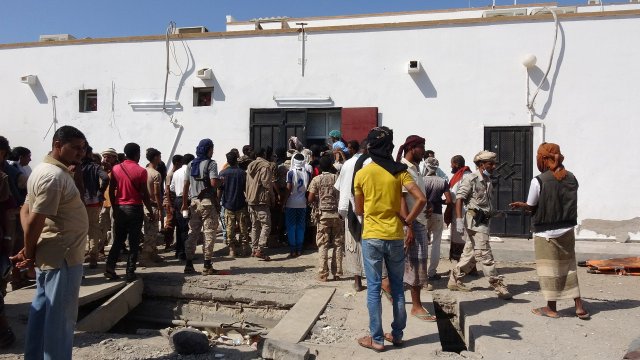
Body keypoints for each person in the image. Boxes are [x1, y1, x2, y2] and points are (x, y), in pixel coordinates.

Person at [10, 126, 88, 359]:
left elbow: (26, 209)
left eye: (82, 148)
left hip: (53, 253)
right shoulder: (53, 176)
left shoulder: (43, 170)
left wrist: (29, 246)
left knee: (43, 314)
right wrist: (30, 252)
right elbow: (34, 220)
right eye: (74, 147)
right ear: (57, 145)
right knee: (60, 320)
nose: (80, 153)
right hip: (62, 256)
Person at [354, 127, 427, 352]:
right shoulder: (400, 172)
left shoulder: (362, 174)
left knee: (374, 288)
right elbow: (421, 199)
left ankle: (376, 339)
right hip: (395, 235)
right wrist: (407, 221)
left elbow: (359, 209)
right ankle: (397, 334)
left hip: (372, 237)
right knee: (397, 287)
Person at [509, 143, 589, 319]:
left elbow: (531, 206)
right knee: (569, 267)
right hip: (567, 228)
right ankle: (579, 307)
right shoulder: (572, 177)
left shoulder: (538, 180)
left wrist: (523, 206)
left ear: (544, 159)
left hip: (545, 232)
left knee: (549, 270)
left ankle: (551, 308)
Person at [382, 135, 435, 321]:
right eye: (422, 147)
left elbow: (416, 198)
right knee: (416, 263)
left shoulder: (416, 169)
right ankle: (416, 306)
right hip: (411, 223)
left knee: (407, 262)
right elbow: (402, 199)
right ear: (412, 148)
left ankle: (387, 283)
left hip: (418, 220)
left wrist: (426, 207)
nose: (425, 151)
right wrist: (409, 226)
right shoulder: (404, 169)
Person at [448, 151, 512, 300]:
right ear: (481, 164)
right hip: (475, 223)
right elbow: (459, 199)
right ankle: (497, 284)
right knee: (485, 253)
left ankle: (454, 278)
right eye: (490, 163)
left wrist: (495, 213)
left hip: (483, 221)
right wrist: (458, 220)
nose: (494, 166)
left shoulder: (488, 180)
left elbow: (484, 204)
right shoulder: (470, 179)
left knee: (470, 255)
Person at [105, 142, 155, 282]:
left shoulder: (116, 169)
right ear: (137, 154)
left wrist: (115, 208)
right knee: (134, 243)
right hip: (135, 208)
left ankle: (110, 267)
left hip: (120, 208)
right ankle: (129, 272)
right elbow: (144, 194)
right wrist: (150, 211)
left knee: (118, 240)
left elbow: (111, 190)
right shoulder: (141, 171)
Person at [181, 139, 221, 275]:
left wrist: (184, 204)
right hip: (207, 202)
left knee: (192, 233)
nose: (213, 151)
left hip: (193, 202)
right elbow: (214, 182)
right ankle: (207, 265)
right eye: (212, 149)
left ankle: (188, 264)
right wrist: (221, 181)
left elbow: (186, 185)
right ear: (208, 149)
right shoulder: (211, 164)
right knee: (209, 233)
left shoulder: (191, 164)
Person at [334, 139, 368, 292]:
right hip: (368, 209)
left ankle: (357, 281)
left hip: (349, 207)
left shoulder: (347, 164)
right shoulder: (372, 163)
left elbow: (340, 187)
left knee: (353, 245)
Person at [308, 155, 344, 281]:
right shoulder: (337, 178)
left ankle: (323, 274)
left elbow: (310, 198)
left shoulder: (316, 180)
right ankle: (337, 272)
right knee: (338, 244)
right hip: (337, 215)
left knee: (323, 244)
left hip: (323, 215)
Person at [424, 157, 452, 280]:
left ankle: (421, 273)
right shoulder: (442, 181)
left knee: (422, 245)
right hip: (437, 214)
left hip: (423, 215)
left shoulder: (422, 180)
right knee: (436, 244)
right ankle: (432, 272)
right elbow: (449, 200)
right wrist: (439, 201)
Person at [81, 146, 109, 269]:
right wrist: (100, 191)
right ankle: (93, 255)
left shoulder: (76, 167)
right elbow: (106, 177)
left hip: (80, 202)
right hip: (94, 202)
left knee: (81, 230)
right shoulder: (95, 166)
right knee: (93, 228)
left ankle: (83, 254)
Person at [218, 151, 250, 257]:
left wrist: (217, 203)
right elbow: (246, 189)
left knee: (229, 229)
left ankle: (232, 250)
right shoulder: (242, 173)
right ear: (237, 159)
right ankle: (244, 249)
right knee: (243, 229)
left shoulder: (222, 173)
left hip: (228, 205)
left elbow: (219, 190)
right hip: (241, 204)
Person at [245, 148, 274, 261]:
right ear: (264, 154)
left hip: (250, 199)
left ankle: (254, 248)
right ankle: (260, 249)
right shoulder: (265, 166)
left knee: (255, 225)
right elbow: (266, 183)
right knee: (266, 225)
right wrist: (272, 196)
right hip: (261, 199)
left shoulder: (250, 165)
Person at [282, 153, 310, 257]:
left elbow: (289, 188)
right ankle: (299, 248)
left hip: (291, 203)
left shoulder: (290, 173)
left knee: (291, 226)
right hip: (302, 203)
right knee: (300, 226)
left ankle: (293, 249)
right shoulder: (307, 173)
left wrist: (284, 202)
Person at [139, 148, 164, 266]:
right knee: (151, 232)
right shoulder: (156, 174)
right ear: (155, 158)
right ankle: (145, 257)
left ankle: (153, 253)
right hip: (152, 205)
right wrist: (160, 207)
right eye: (159, 156)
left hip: (143, 204)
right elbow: (156, 193)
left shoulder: (143, 171)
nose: (160, 159)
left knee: (148, 230)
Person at [444, 155, 472, 262]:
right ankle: (469, 265)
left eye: (452, 164)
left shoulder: (460, 178)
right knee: (468, 240)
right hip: (468, 212)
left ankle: (462, 265)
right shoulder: (471, 175)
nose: (451, 166)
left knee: (460, 239)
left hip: (460, 213)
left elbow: (453, 197)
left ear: (456, 164)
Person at [170, 153, 194, 260]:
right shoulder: (189, 171)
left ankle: (179, 251)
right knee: (185, 227)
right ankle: (184, 252)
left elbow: (172, 188)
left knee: (179, 227)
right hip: (186, 201)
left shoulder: (176, 172)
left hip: (178, 200)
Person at [98, 148, 118, 257]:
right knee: (101, 226)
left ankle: (115, 252)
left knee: (115, 227)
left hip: (114, 203)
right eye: (105, 156)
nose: (106, 158)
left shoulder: (117, 169)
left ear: (115, 158)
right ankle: (100, 249)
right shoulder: (101, 170)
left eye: (109, 156)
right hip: (104, 203)